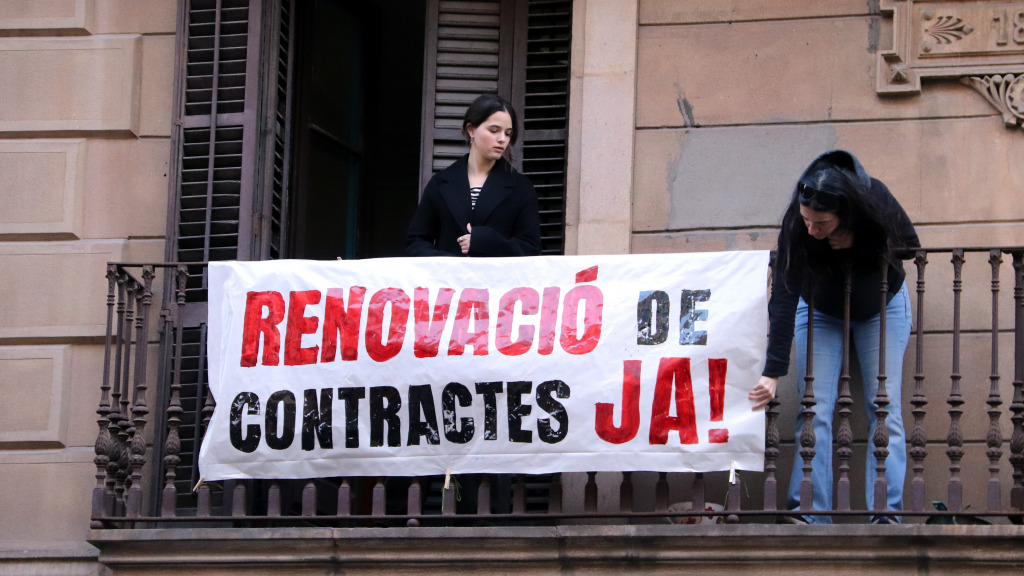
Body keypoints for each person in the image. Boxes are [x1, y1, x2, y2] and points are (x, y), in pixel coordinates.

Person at [748, 150, 920, 524]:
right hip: (820, 309)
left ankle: (885, 515)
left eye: (822, 223)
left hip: (882, 307)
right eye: (807, 220)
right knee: (813, 407)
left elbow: (909, 244)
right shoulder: (798, 221)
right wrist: (772, 371)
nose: (811, 229)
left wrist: (859, 240)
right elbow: (785, 294)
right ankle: (809, 511)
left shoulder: (874, 195)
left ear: (845, 211)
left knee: (884, 406)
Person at [405, 93, 541, 257]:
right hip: (450, 273)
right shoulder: (440, 182)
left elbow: (531, 250)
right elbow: (416, 243)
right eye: (494, 130)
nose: (502, 139)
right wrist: (449, 263)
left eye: (508, 133)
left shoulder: (521, 187)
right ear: (471, 130)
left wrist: (487, 242)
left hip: (496, 274)